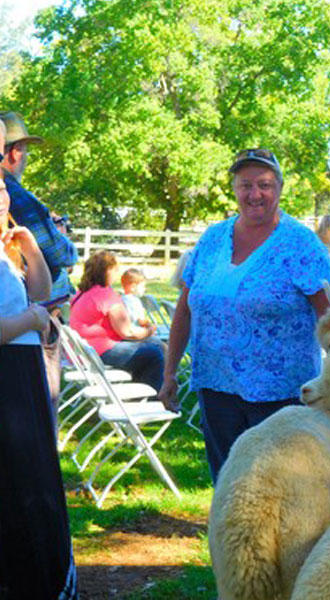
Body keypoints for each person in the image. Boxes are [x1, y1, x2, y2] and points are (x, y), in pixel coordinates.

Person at [157, 148, 330, 483]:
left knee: (277, 486)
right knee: (227, 482)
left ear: (280, 188)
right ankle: (230, 537)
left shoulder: (302, 244)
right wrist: (170, 373)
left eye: (265, 185)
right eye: (245, 185)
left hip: (280, 396)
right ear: (235, 189)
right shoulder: (213, 238)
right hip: (215, 385)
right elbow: (186, 306)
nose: (255, 194)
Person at [0, 120, 78, 599]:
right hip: (6, 379)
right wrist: (31, 319)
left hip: (23, 376)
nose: (3, 199)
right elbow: (34, 313)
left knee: (34, 473)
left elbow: (42, 295)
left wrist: (30, 251)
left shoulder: (7, 247)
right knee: (14, 480)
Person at [0, 111, 78, 282]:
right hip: (36, 304)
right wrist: (61, 234)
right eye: (26, 151)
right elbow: (60, 254)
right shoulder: (15, 195)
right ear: (16, 151)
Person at [69, 250, 164, 390]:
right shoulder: (106, 295)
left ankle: (139, 395)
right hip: (98, 352)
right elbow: (128, 332)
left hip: (80, 351)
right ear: (108, 271)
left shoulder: (81, 293)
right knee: (154, 354)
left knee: (152, 345)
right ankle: (151, 401)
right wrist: (149, 330)